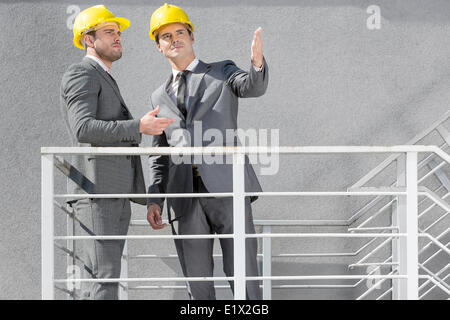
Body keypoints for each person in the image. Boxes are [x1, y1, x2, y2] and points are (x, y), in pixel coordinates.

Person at [146, 3, 268, 300]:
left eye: (180, 32)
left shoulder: (222, 69)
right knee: (197, 283)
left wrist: (257, 65)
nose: (174, 39)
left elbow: (251, 87)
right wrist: (154, 199)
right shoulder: (158, 96)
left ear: (191, 36)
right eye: (166, 36)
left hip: (228, 188)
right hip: (183, 197)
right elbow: (159, 153)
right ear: (159, 47)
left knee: (243, 274)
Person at [60, 5, 174, 299]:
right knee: (103, 279)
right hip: (98, 193)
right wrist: (139, 126)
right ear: (88, 39)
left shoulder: (103, 75)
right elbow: (83, 128)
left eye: (119, 32)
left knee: (103, 278)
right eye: (109, 32)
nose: (118, 37)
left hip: (112, 193)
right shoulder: (81, 72)